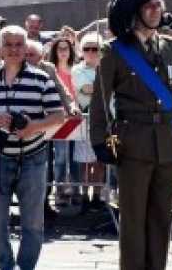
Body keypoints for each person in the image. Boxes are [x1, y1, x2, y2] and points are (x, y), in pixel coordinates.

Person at [91, 0, 172, 270]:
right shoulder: (115, 50)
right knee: (134, 220)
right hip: (133, 144)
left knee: (164, 218)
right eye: (148, 6)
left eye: (157, 5)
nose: (156, 10)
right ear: (133, 13)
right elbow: (100, 100)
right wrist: (100, 139)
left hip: (167, 145)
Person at [0, 25, 64, 270]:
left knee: (32, 221)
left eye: (18, 44)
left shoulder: (41, 79)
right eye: (8, 45)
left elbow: (58, 116)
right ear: (0, 49)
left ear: (25, 48)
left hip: (33, 156)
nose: (13, 49)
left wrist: (34, 127)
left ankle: (26, 267)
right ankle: (5, 265)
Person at [70, 32, 103, 212]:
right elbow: (87, 89)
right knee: (85, 162)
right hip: (85, 119)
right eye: (87, 48)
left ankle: (97, 197)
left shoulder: (105, 67)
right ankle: (84, 196)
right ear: (81, 51)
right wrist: (105, 86)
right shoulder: (77, 69)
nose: (91, 52)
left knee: (100, 161)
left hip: (105, 120)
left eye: (95, 48)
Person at [47, 35, 80, 211]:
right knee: (59, 158)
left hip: (76, 120)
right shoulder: (51, 70)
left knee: (75, 159)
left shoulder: (77, 69)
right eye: (59, 48)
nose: (63, 51)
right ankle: (60, 192)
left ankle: (75, 191)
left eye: (66, 48)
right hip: (57, 120)